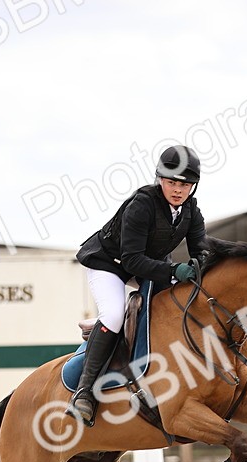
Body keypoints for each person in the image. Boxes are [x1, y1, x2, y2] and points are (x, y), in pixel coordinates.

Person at [69, 145, 208, 425]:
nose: (178, 190)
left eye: (185, 184)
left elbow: (201, 250)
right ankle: (84, 392)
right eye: (172, 183)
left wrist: (202, 264)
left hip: (145, 264)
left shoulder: (190, 210)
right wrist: (173, 270)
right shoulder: (142, 205)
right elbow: (132, 261)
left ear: (193, 186)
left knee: (171, 305)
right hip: (109, 263)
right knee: (114, 315)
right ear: (161, 180)